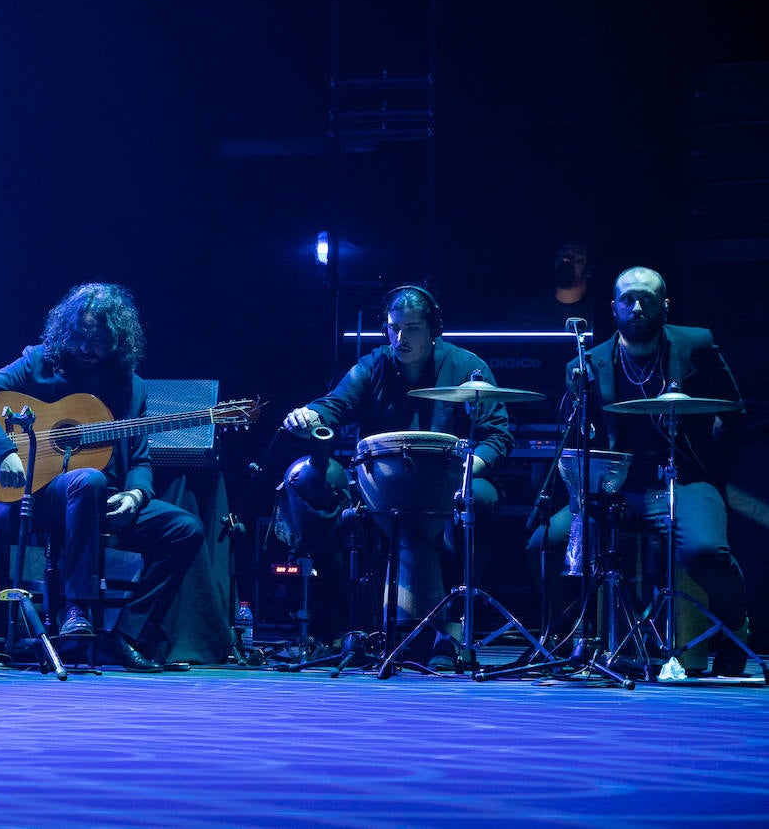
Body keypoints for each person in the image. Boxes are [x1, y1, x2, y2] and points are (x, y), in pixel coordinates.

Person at [0, 282, 204, 673]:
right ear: (65, 333)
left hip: (107, 500)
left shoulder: (131, 386)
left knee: (185, 528)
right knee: (87, 480)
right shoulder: (38, 363)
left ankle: (126, 636)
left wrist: (136, 496)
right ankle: (79, 609)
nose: (87, 348)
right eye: (80, 337)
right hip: (37, 496)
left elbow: (140, 457)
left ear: (117, 341)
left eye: (99, 340)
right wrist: (1, 449)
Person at [526, 266, 749, 676]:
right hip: (616, 486)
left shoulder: (695, 344)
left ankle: (735, 629)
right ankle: (574, 636)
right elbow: (581, 439)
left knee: (704, 552)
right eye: (628, 299)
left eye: (647, 298)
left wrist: (712, 471)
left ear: (665, 305)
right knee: (546, 542)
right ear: (613, 307)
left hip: (684, 478)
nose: (637, 306)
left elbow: (734, 413)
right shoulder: (589, 363)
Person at [276, 284, 514, 662]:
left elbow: (496, 437)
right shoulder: (373, 366)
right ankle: (352, 625)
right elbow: (334, 405)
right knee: (319, 486)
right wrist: (310, 416)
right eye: (393, 327)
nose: (400, 338)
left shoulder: (467, 367)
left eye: (412, 329)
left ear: (434, 329)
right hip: (385, 488)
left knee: (480, 498)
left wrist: (466, 475)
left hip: (450, 483)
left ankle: (452, 629)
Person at [506, 241, 597, 332]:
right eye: (562, 255)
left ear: (588, 270)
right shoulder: (525, 313)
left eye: (575, 257)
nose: (566, 260)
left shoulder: (596, 315)